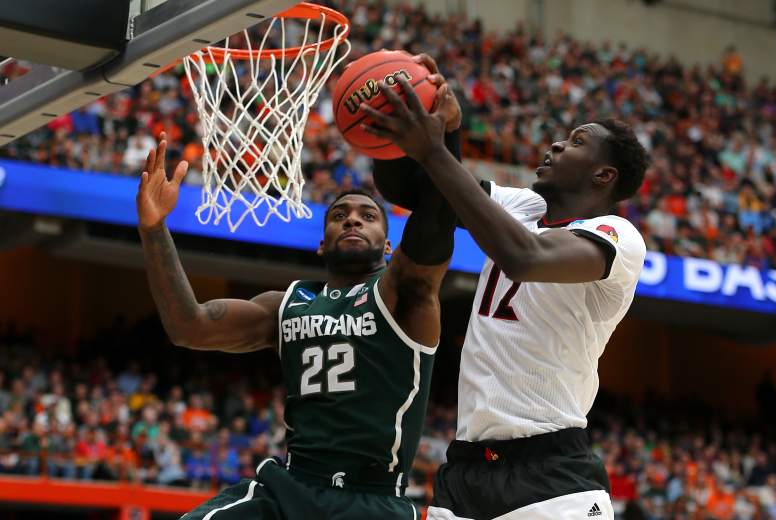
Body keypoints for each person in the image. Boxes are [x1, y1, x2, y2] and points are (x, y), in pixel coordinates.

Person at [363, 55, 649, 520]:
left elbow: (523, 258)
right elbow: (420, 191)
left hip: (551, 473)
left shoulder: (617, 236)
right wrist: (422, 123)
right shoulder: (523, 205)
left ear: (604, 176)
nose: (556, 144)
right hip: (466, 469)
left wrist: (436, 150)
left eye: (576, 142)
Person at [135, 117, 458, 518]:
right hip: (292, 486)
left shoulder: (403, 296)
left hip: (372, 499)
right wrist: (154, 229)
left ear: (389, 245)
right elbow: (189, 326)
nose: (353, 219)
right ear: (322, 245)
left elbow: (436, 224)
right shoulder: (287, 302)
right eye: (340, 215)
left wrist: (444, 141)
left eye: (367, 216)